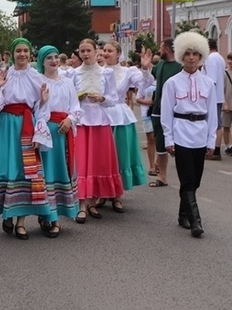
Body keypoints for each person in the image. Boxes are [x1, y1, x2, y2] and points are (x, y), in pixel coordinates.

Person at [0, 38, 52, 240]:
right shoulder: (3, 75)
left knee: (25, 171)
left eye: (25, 51)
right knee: (6, 168)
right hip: (6, 125)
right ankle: (7, 213)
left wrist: (40, 128)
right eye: (18, 51)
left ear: (30, 54)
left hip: (27, 125)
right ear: (12, 53)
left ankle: (21, 221)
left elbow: (42, 109)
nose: (22, 54)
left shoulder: (37, 77)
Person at [160, 32, 217, 237]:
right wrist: (169, 138)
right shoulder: (173, 83)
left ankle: (183, 214)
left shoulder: (209, 83)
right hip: (181, 133)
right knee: (187, 178)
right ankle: (196, 222)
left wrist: (212, 140)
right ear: (181, 56)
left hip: (200, 134)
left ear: (201, 56)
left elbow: (212, 115)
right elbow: (166, 113)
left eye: (195, 54)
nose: (191, 57)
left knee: (195, 181)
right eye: (187, 54)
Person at [69, 39, 123, 223]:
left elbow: (113, 99)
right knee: (82, 162)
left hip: (100, 121)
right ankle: (81, 204)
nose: (85, 54)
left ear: (95, 51)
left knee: (97, 161)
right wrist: (79, 96)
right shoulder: (73, 73)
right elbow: (69, 99)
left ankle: (92, 201)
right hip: (81, 120)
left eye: (88, 50)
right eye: (82, 51)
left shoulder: (106, 73)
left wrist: (101, 98)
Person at [100, 41, 153, 211]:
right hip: (101, 116)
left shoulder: (127, 71)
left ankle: (117, 195)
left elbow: (143, 84)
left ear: (118, 53)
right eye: (104, 50)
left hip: (120, 115)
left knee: (120, 155)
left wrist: (145, 69)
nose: (106, 53)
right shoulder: (97, 71)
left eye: (110, 50)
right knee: (103, 157)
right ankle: (102, 192)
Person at [37, 45, 80, 237]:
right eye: (49, 58)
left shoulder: (67, 82)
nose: (54, 61)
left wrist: (70, 119)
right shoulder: (39, 82)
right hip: (46, 132)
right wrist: (43, 102)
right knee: (47, 174)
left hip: (63, 130)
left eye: (56, 57)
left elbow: (76, 107)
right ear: (42, 62)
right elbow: (34, 109)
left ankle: (56, 216)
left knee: (61, 171)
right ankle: (47, 214)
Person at [150, 39, 182, 188]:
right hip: (157, 109)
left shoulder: (179, 67)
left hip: (175, 110)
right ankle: (162, 176)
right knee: (160, 143)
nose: (159, 50)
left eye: (161, 47)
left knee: (178, 143)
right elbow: (151, 77)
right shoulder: (160, 65)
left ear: (167, 49)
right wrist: (145, 67)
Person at [201, 38, 225, 160]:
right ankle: (215, 149)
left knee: (214, 123)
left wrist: (205, 95)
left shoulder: (211, 59)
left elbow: (211, 80)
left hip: (212, 97)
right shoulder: (219, 58)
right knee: (216, 123)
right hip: (218, 96)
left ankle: (215, 150)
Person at [222, 53, 232, 156]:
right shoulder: (224, 74)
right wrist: (224, 103)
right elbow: (222, 90)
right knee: (226, 126)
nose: (230, 62)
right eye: (228, 59)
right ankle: (227, 146)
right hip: (227, 104)